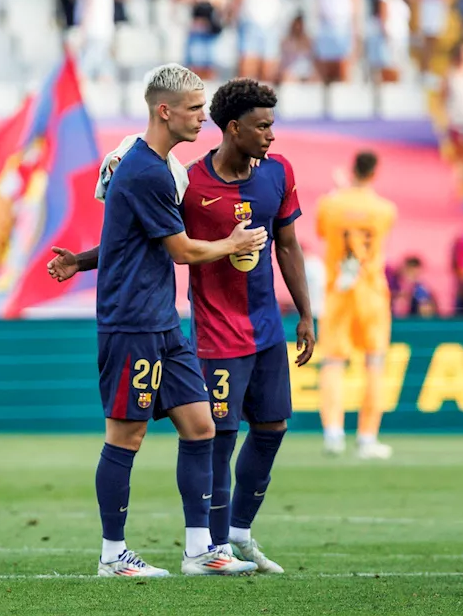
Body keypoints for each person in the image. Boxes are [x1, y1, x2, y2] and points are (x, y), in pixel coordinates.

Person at [51, 79, 313, 575]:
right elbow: (182, 250)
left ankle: (201, 552)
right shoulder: (150, 171)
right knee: (124, 436)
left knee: (201, 426)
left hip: (163, 322)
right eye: (194, 109)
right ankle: (112, 555)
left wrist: (81, 262)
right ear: (165, 111)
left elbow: (127, 238)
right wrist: (233, 243)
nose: (202, 117)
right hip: (132, 322)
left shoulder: (163, 169)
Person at [315, 151, 397, 459]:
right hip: (371, 291)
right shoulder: (385, 209)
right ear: (374, 172)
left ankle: (333, 434)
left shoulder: (330, 203)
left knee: (333, 363)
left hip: (338, 290)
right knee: (374, 362)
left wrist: (340, 191)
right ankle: (366, 437)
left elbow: (323, 231)